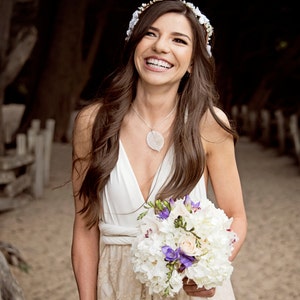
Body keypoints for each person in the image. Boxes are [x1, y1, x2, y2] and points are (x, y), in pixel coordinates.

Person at [71, 0, 247, 299]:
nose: (161, 47)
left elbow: (236, 216)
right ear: (134, 43)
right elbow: (85, 227)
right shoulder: (93, 122)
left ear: (192, 61)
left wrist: (210, 266)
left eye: (178, 40)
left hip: (185, 290)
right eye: (150, 34)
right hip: (116, 286)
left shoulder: (209, 123)